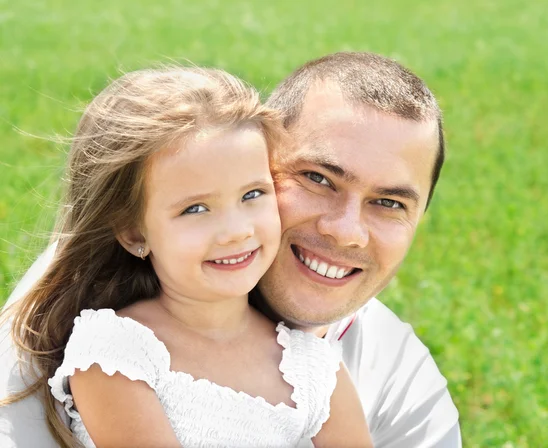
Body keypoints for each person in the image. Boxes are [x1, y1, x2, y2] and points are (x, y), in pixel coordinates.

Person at [1, 52, 461, 447]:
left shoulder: (325, 371)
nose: (346, 232)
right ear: (133, 232)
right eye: (318, 178)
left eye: (388, 202)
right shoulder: (96, 342)